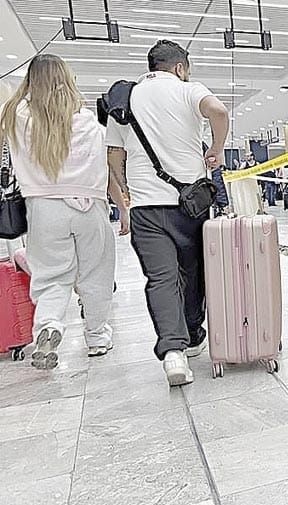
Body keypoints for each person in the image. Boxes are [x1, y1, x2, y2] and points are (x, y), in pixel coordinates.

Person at [105, 40, 230, 386]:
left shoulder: (124, 99)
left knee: (161, 278)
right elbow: (219, 111)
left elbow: (114, 153)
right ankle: (192, 333)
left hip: (145, 208)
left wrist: (125, 189)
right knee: (192, 272)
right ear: (179, 68)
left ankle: (173, 353)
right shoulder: (189, 90)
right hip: (189, 205)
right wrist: (217, 149)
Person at [0, 54, 123, 366]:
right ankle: (97, 336)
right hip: (90, 207)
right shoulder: (86, 121)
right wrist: (122, 206)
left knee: (51, 276)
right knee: (96, 275)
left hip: (43, 208)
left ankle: (50, 325)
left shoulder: (16, 115)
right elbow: (106, 166)